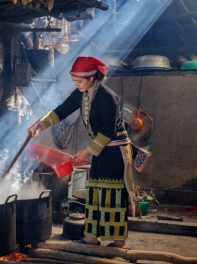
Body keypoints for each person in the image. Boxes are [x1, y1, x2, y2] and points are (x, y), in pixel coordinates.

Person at [27, 56, 136, 248]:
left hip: (115, 151)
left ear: (92, 77)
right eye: (74, 81)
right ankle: (92, 237)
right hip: (101, 149)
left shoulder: (107, 97)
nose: (76, 85)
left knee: (112, 194)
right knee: (95, 191)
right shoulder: (81, 94)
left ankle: (118, 240)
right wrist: (39, 124)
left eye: (79, 81)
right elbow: (62, 110)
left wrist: (87, 151)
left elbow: (109, 131)